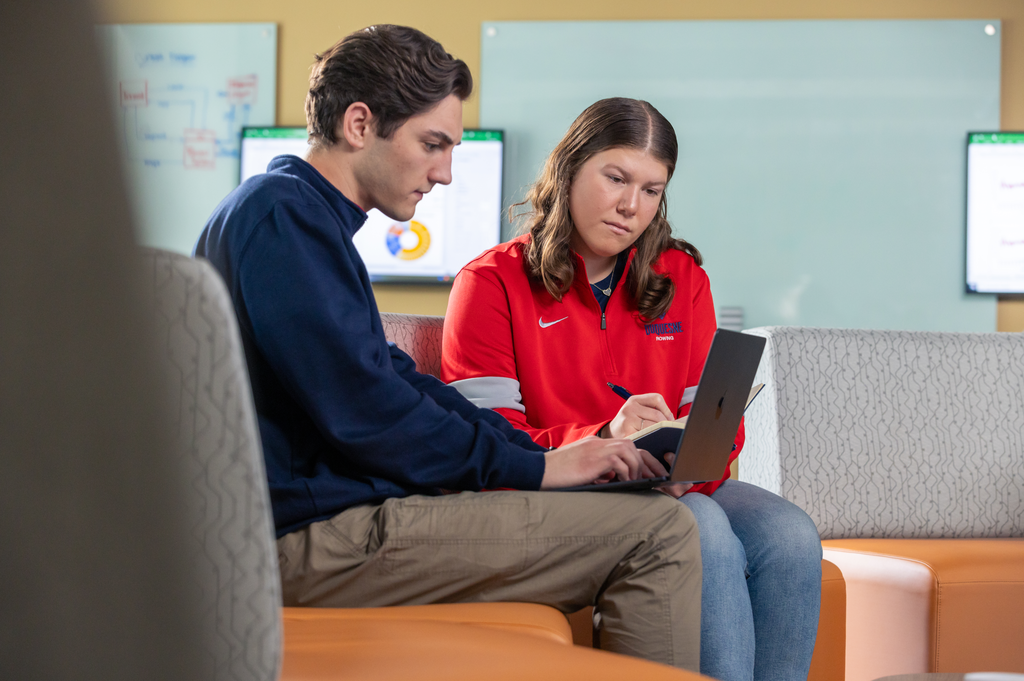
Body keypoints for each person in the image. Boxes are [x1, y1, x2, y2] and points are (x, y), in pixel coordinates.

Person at [194, 26, 703, 671]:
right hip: (300, 540)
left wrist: (550, 455)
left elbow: (399, 383)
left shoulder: (299, 219)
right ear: (359, 124)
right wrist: (537, 470)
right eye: (432, 145)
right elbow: (371, 413)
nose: (445, 172)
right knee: (659, 534)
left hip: (318, 522)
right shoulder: (282, 220)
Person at [441, 97, 823, 681]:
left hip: (672, 485)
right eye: (616, 178)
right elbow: (487, 438)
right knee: (704, 533)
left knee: (790, 535)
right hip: (562, 489)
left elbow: (717, 421)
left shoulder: (683, 278)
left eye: (651, 190)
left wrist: (693, 469)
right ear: (568, 169)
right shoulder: (490, 283)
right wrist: (604, 436)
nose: (630, 206)